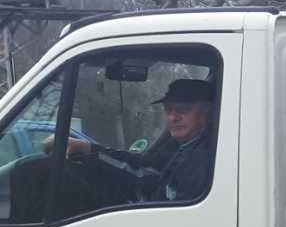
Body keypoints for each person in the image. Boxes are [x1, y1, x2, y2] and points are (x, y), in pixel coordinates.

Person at [60, 77, 219, 204]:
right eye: (169, 109)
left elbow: (143, 180)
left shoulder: (203, 160)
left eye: (183, 110)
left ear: (206, 112)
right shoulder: (180, 146)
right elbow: (145, 165)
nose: (172, 117)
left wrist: (92, 152)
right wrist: (88, 148)